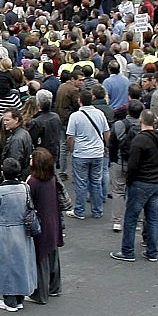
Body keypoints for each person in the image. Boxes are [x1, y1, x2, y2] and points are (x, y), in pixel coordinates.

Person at [0, 158, 38, 312]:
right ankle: (20, 297)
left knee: (5, 266)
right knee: (21, 263)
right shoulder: (25, 188)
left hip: (5, 230)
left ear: (3, 172)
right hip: (22, 230)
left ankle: (9, 300)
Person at [113, 109, 158, 263]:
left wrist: (130, 181)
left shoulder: (139, 140)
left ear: (141, 120)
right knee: (152, 217)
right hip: (157, 182)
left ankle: (127, 251)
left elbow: (133, 165)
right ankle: (152, 251)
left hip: (141, 182)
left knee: (131, 217)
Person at [25, 148, 64, 305]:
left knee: (40, 257)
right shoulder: (52, 179)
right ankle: (54, 287)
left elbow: (27, 203)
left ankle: (40, 294)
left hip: (40, 222)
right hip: (53, 219)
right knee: (53, 253)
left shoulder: (32, 182)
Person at [64, 90, 109, 220]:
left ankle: (80, 210)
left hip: (81, 153)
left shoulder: (75, 116)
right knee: (96, 182)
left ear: (80, 101)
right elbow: (107, 132)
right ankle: (97, 210)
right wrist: (106, 146)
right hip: (97, 152)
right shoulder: (100, 114)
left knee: (81, 183)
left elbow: (70, 136)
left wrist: (71, 149)